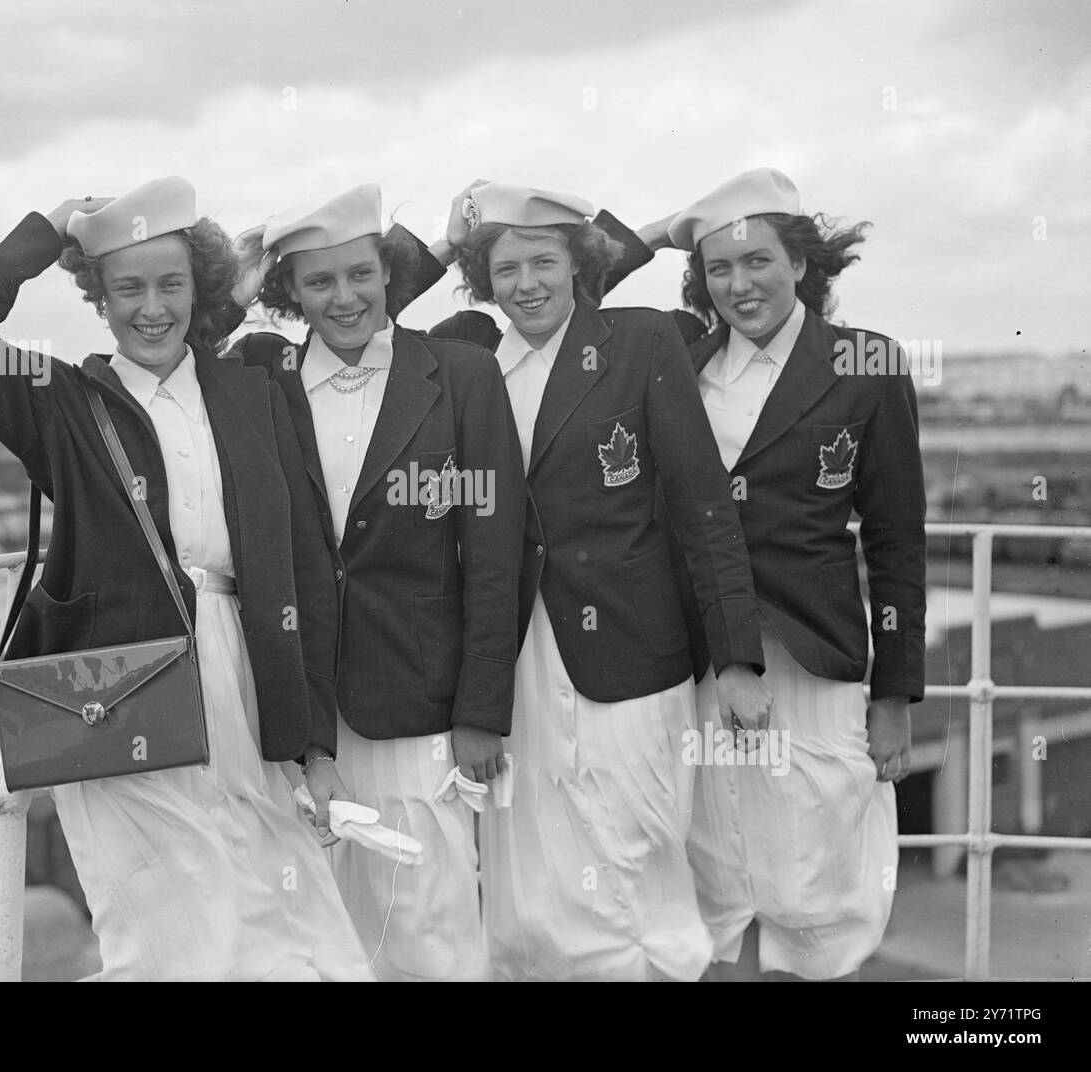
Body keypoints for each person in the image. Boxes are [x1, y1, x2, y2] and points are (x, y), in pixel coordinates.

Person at [0, 176, 373, 981]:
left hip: (252, 681)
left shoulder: (257, 391)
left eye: (171, 284)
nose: (151, 307)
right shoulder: (62, 403)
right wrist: (46, 231)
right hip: (121, 688)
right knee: (168, 932)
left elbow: (305, 572)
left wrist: (316, 745)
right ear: (98, 295)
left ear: (200, 288)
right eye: (127, 287)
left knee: (286, 914)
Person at [431, 182, 772, 981]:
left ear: (585, 265)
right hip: (509, 659)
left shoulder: (642, 342)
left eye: (545, 261)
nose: (526, 285)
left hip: (630, 649)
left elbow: (703, 508)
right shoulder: (465, 355)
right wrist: (450, 242)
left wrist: (737, 659)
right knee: (528, 880)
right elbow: (366, 309)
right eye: (505, 268)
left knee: (635, 855)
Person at [632, 166, 927, 979]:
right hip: (697, 661)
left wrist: (895, 695)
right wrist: (667, 229)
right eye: (718, 267)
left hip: (813, 655)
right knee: (712, 866)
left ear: (800, 263)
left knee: (817, 877)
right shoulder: (676, 359)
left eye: (758, 260)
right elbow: (581, 280)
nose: (739, 284)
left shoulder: (868, 363)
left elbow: (898, 539)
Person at [227, 183, 525, 981]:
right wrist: (245, 282)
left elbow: (499, 555)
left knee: (430, 926)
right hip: (296, 706)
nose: (345, 297)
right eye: (317, 282)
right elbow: (186, 342)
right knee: (315, 928)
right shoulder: (260, 380)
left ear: (391, 273)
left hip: (419, 701)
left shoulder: (461, 375)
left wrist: (481, 709)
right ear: (287, 293)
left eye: (361, 274)